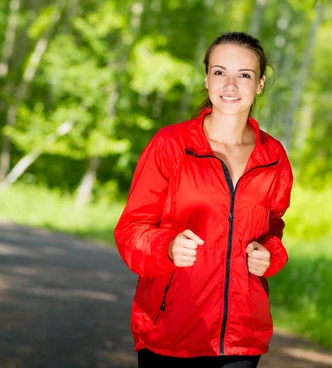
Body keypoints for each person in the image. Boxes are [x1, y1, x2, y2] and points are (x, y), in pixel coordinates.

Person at [114, 32, 294, 368]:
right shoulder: (171, 145)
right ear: (206, 79)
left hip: (241, 338)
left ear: (260, 85)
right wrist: (166, 247)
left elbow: (273, 227)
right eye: (220, 72)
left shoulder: (274, 156)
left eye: (244, 75)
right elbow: (131, 230)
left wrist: (271, 255)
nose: (230, 84)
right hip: (172, 333)